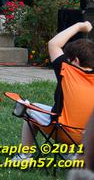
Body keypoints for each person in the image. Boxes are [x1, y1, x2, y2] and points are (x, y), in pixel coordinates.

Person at [14, 21, 94, 160]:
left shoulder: (67, 70)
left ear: (75, 61)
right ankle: (69, 154)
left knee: (28, 109)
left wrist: (80, 26)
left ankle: (24, 155)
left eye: (69, 60)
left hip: (63, 132)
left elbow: (54, 44)